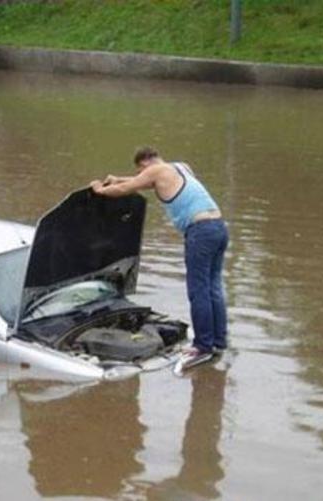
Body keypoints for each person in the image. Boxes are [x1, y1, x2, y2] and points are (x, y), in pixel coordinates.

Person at [89, 146, 229, 366]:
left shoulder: (155, 172)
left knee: (198, 290)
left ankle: (202, 347)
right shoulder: (181, 167)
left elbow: (126, 189)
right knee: (213, 287)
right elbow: (143, 181)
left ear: (145, 163)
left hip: (200, 233)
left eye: (140, 170)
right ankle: (218, 342)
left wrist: (100, 189)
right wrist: (118, 178)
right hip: (218, 228)